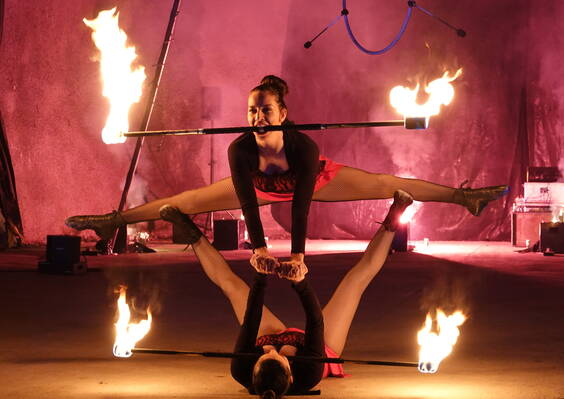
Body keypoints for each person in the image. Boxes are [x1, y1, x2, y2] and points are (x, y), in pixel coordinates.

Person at [66, 75, 508, 270]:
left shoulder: (303, 145)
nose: (257, 117)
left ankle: (463, 197)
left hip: (309, 182)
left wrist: (296, 255)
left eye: (265, 110)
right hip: (258, 189)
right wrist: (258, 248)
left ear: (283, 113)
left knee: (381, 183)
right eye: (252, 110)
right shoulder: (240, 148)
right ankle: (113, 220)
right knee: (185, 201)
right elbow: (245, 202)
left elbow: (300, 208)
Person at [158, 188, 414, 397]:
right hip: (320, 345)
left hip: (275, 335)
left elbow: (251, 319)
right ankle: (394, 219)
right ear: (291, 375)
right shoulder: (309, 372)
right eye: (278, 358)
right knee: (355, 282)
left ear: (254, 369)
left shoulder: (241, 368)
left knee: (233, 287)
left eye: (265, 355)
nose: (273, 351)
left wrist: (260, 276)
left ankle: (191, 234)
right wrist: (300, 282)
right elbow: (315, 320)